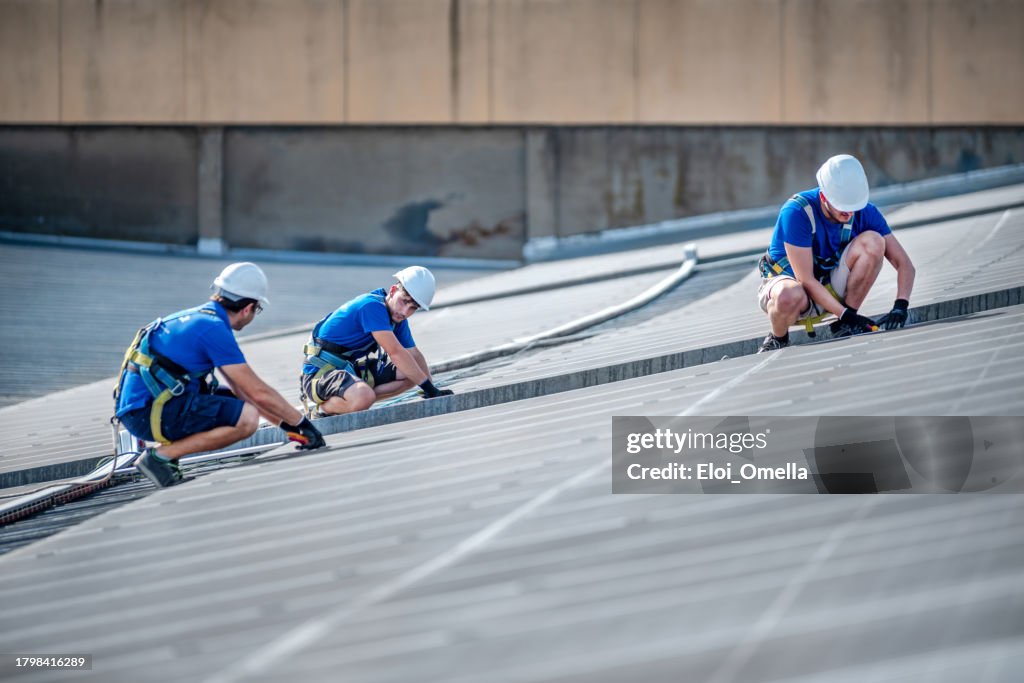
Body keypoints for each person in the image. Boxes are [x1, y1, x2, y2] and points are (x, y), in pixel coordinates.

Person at [114, 262, 326, 487]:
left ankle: (168, 458)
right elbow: (258, 391)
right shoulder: (213, 328)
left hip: (144, 408)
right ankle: (160, 458)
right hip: (149, 413)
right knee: (246, 419)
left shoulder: (199, 318)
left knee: (237, 404)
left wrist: (289, 427)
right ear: (248, 308)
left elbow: (243, 391)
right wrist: (304, 423)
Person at [756, 154, 916, 353]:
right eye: (843, 207)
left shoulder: (864, 211)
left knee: (874, 242)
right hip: (791, 289)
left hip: (827, 283)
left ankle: (843, 327)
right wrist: (845, 314)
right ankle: (778, 338)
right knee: (789, 295)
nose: (849, 213)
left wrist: (900, 305)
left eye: (853, 206)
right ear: (824, 197)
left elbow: (905, 264)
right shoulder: (797, 212)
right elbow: (805, 280)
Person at [300, 266, 453, 416]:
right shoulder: (372, 307)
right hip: (320, 376)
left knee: (411, 374)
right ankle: (327, 408)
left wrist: (431, 388)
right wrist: (428, 388)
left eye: (413, 308)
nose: (405, 312)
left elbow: (414, 354)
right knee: (365, 396)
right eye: (404, 301)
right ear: (393, 291)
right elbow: (395, 352)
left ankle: (354, 398)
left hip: (348, 370)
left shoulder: (396, 318)